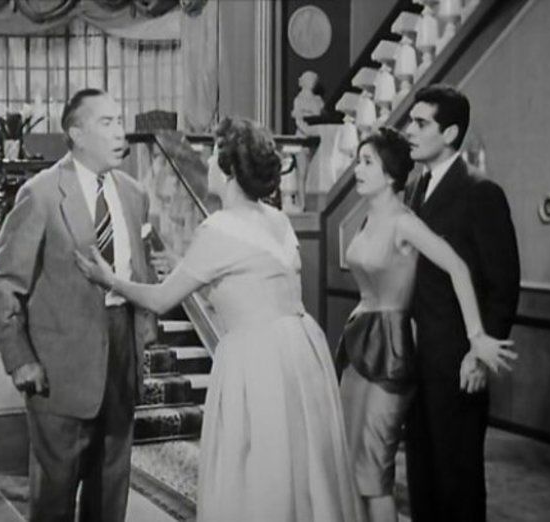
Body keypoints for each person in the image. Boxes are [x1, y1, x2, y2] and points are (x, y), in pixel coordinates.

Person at [76, 117, 365, 522]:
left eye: (213, 156)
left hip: (257, 356)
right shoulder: (277, 219)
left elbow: (160, 299)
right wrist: (183, 265)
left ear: (228, 172)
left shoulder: (218, 228)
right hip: (301, 349)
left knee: (258, 461)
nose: (207, 163)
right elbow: (251, 280)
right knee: (300, 461)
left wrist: (110, 279)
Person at [0, 88, 154, 522]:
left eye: (120, 121)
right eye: (106, 123)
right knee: (54, 498)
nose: (119, 133)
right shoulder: (41, 194)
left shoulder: (134, 194)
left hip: (121, 360)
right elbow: (3, 282)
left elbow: (142, 271)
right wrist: (20, 358)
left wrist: (143, 335)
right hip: (58, 370)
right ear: (76, 133)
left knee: (110, 492)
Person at [334, 127, 516, 522]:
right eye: (358, 161)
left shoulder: (406, 223)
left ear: (390, 175)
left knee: (374, 468)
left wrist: (477, 336)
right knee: (351, 463)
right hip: (357, 347)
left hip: (390, 350)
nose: (357, 170)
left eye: (367, 162)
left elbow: (458, 267)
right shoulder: (368, 218)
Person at [404, 84, 520, 522]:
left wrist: (479, 354)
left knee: (458, 481)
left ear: (450, 133)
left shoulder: (480, 192)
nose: (410, 131)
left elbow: (503, 284)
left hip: (458, 362)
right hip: (417, 360)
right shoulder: (415, 189)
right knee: (422, 476)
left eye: (421, 123)